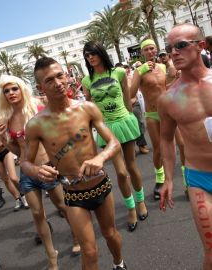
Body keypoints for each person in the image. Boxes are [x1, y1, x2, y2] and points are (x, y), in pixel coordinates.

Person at [21, 56, 127, 270]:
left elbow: (114, 143)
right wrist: (37, 170)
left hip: (101, 185)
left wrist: (100, 157)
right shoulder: (36, 125)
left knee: (111, 235)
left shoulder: (87, 108)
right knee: (89, 250)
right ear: (40, 87)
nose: (58, 83)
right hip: (73, 193)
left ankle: (119, 263)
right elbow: (24, 162)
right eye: (49, 80)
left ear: (67, 76)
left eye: (60, 75)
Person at [0, 75, 80, 270]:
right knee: (36, 213)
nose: (10, 93)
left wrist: (57, 162)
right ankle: (52, 256)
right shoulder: (8, 118)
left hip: (47, 168)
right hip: (28, 172)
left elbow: (57, 137)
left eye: (14, 89)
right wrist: (3, 139)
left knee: (61, 206)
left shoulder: (37, 108)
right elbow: (18, 152)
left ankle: (76, 237)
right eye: (6, 91)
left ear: (21, 89)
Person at [159, 23, 212, 270]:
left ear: (200, 46)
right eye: (170, 48)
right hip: (200, 179)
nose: (174, 53)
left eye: (181, 45)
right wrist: (168, 179)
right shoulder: (168, 98)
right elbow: (166, 139)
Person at [82, 41, 148, 232]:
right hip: (106, 129)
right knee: (120, 172)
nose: (90, 57)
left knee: (132, 166)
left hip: (125, 122)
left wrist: (130, 118)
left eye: (93, 53)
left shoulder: (118, 73)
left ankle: (140, 201)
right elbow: (88, 108)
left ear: (101, 53)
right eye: (87, 55)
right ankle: (130, 208)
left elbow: (127, 99)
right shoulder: (87, 81)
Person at [130, 39, 185, 200]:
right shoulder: (138, 71)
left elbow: (166, 88)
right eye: (146, 49)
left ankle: (187, 180)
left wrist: (177, 79)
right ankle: (160, 179)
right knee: (159, 149)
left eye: (152, 48)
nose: (150, 51)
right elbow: (131, 94)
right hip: (153, 115)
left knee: (182, 145)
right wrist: (140, 73)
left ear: (156, 49)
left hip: (170, 112)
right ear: (142, 52)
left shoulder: (163, 67)